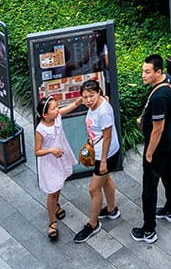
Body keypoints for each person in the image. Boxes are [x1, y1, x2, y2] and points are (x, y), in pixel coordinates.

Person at [130, 53, 171, 244]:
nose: (143, 75)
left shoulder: (159, 96)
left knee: (149, 188)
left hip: (157, 146)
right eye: (143, 71)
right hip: (169, 140)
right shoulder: (169, 81)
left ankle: (149, 230)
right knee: (169, 174)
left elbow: (157, 128)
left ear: (158, 72)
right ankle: (170, 209)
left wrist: (149, 152)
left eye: (147, 72)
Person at [70, 79, 121, 243]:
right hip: (101, 152)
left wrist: (104, 160)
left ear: (98, 93)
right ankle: (112, 209)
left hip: (105, 155)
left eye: (91, 96)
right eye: (85, 97)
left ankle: (93, 224)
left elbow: (107, 137)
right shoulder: (96, 104)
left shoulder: (103, 111)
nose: (88, 100)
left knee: (93, 189)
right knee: (106, 180)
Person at [33, 96, 74, 241]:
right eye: (54, 108)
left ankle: (56, 206)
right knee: (52, 191)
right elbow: (37, 151)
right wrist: (51, 150)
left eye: (57, 107)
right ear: (45, 114)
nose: (57, 110)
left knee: (58, 185)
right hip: (50, 163)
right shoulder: (41, 130)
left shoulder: (57, 118)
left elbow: (71, 106)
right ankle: (52, 222)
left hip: (59, 158)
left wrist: (81, 100)